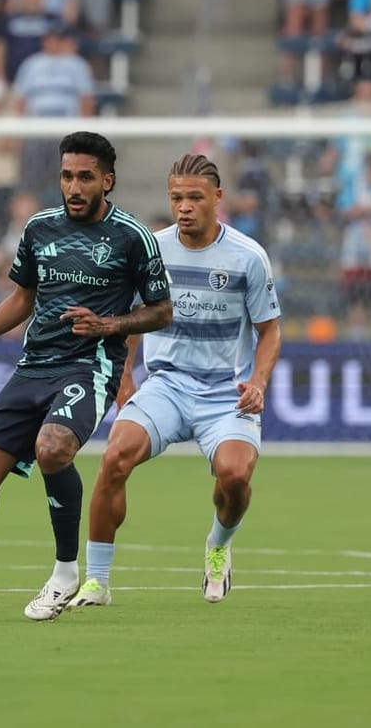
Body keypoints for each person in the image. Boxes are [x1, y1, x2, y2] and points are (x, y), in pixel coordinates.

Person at [0, 131, 173, 623]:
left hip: (89, 366)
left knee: (53, 447)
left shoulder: (133, 237)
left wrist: (109, 325)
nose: (74, 186)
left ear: (107, 181)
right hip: (33, 366)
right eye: (67, 176)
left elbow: (162, 312)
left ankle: (66, 572)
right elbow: (22, 300)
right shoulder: (39, 228)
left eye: (85, 177)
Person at [67, 155, 281, 611]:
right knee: (114, 458)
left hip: (226, 394)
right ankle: (97, 582)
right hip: (165, 386)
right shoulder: (152, 249)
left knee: (236, 476)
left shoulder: (248, 257)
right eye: (177, 198)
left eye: (194, 198)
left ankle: (219, 545)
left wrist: (258, 382)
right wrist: (125, 384)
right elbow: (125, 320)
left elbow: (270, 330)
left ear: (217, 199)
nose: (184, 207)